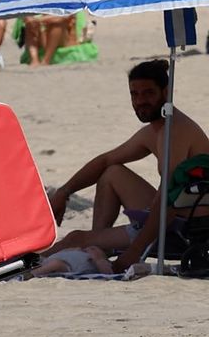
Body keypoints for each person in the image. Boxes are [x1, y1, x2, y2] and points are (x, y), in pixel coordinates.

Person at [46, 59, 209, 273]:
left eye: (148, 93)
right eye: (135, 94)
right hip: (176, 214)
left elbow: (168, 198)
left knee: (76, 237)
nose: (141, 101)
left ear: (166, 92)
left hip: (185, 227)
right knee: (112, 172)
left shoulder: (175, 131)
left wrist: (135, 250)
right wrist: (64, 191)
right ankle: (98, 245)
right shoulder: (157, 130)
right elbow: (105, 160)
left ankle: (28, 263)